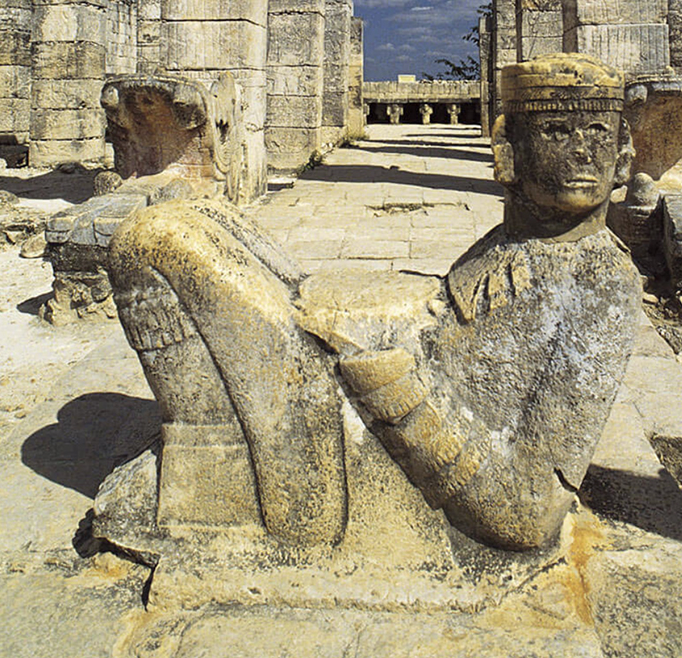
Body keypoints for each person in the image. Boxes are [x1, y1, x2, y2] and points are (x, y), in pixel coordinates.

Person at [108, 53, 640, 555]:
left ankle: (212, 480)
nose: (580, 152)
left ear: (622, 158)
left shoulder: (602, 280)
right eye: (556, 130)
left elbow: (526, 516)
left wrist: (398, 390)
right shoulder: (523, 243)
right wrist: (371, 313)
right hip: (354, 388)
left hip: (344, 443)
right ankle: (203, 461)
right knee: (199, 219)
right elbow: (444, 319)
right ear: (508, 152)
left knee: (152, 240)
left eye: (597, 133)